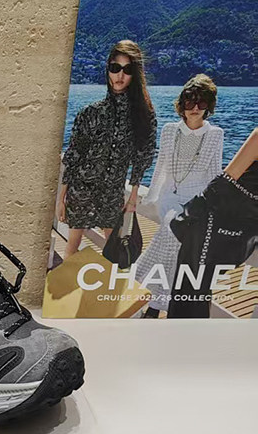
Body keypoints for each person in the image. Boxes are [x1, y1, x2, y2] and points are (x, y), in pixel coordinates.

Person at [134, 75, 223, 317]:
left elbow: (215, 173)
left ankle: (150, 299)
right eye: (190, 101)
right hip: (170, 198)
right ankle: (158, 303)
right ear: (182, 104)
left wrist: (216, 208)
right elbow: (161, 166)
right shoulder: (169, 131)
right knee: (172, 229)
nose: (195, 108)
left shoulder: (215, 134)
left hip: (197, 201)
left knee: (174, 244)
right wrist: (150, 196)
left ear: (208, 106)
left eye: (202, 102)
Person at [59, 40, 157, 258]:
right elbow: (73, 155)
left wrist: (133, 197)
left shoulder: (143, 116)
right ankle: (66, 282)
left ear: (135, 74)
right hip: (81, 190)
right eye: (115, 68)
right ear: (108, 70)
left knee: (113, 254)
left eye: (127, 70)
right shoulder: (90, 113)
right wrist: (61, 198)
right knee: (72, 248)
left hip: (112, 194)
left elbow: (143, 157)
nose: (120, 75)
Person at [168, 128, 258, 318]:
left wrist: (192, 209)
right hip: (233, 225)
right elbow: (226, 182)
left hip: (223, 222)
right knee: (194, 288)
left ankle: (182, 334)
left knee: (191, 288)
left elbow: (225, 180)